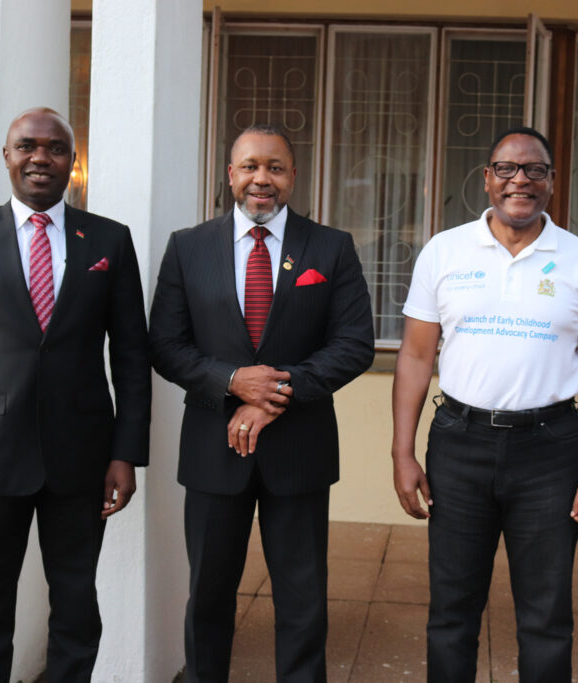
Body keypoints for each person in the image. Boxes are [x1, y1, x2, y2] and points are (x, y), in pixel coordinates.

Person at [0, 107, 151, 682]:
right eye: (26, 146)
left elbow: (130, 358)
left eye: (53, 149)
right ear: (7, 156)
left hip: (82, 455)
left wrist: (126, 453)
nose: (39, 158)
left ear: (72, 163)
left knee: (76, 605)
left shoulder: (109, 241)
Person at [392, 126, 578, 682]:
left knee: (546, 616)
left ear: (551, 181)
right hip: (458, 443)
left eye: (535, 170)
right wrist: (402, 452)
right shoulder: (444, 252)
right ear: (487, 178)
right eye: (508, 169)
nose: (521, 179)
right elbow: (417, 357)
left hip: (550, 451)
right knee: (451, 611)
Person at [149, 124, 374, 682]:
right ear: (230, 174)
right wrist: (231, 381)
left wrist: (272, 393)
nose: (261, 178)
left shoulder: (331, 248)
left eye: (275, 167)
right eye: (250, 166)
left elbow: (353, 346)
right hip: (211, 450)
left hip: (299, 451)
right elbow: (165, 345)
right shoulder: (188, 247)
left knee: (302, 599)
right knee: (207, 595)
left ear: (292, 176)